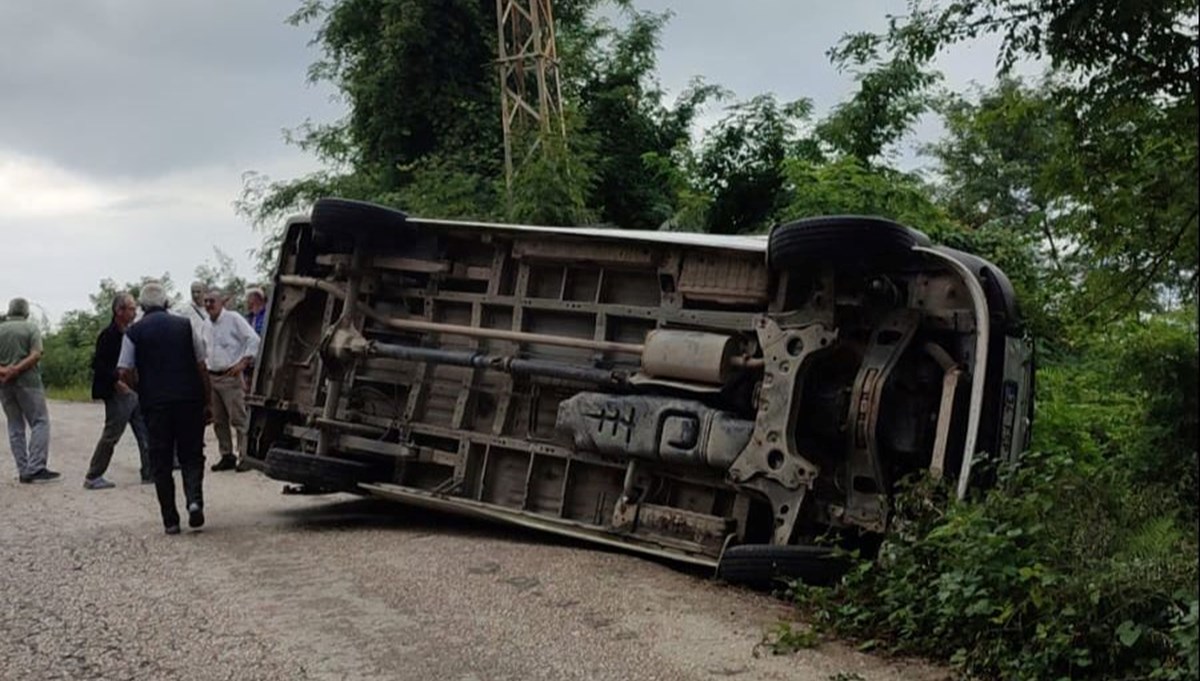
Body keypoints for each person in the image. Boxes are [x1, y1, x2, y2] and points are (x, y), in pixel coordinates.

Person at [118, 282, 212, 534]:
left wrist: (140, 390)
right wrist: (208, 399)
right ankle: (194, 502)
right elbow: (202, 364)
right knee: (191, 454)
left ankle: (170, 519)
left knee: (160, 460)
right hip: (189, 400)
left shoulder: (133, 332)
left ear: (142, 306)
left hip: (155, 404)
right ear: (166, 303)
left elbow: (124, 370)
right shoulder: (185, 325)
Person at [83, 292, 152, 489]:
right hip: (118, 392)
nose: (134, 312)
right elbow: (98, 363)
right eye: (131, 308)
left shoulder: (132, 332)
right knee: (112, 433)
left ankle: (149, 471)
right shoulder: (109, 335)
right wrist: (116, 381)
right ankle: (93, 475)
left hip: (135, 390)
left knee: (145, 431)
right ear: (118, 311)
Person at [0, 298, 60, 483]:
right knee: (40, 421)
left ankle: (23, 470)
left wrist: (5, 371)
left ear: (10, 311)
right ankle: (36, 466)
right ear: (26, 312)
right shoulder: (31, 328)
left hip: (4, 383)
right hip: (29, 382)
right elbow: (36, 354)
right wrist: (17, 370)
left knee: (15, 425)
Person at [203, 288, 259, 472]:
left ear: (221, 302)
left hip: (231, 376)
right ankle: (226, 455)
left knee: (238, 418)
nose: (209, 305)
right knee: (219, 421)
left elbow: (254, 339)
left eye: (212, 301)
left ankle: (245, 456)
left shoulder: (233, 319)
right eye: (206, 301)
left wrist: (243, 362)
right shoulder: (206, 324)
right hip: (213, 376)